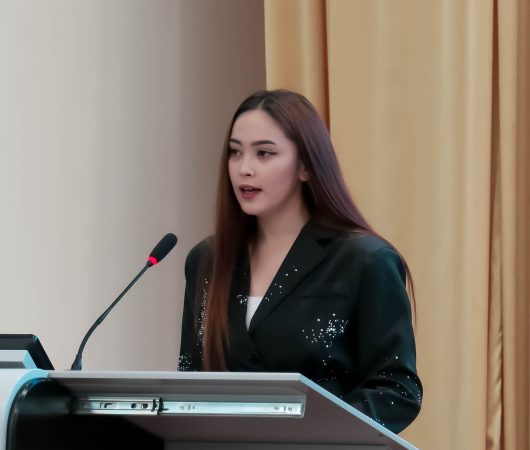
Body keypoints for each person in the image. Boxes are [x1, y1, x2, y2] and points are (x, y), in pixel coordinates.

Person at [178, 89, 422, 433]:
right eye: (235, 152)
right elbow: (190, 381)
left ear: (306, 165)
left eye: (264, 153)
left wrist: (312, 433)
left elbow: (397, 391)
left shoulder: (364, 261)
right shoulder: (206, 261)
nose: (244, 169)